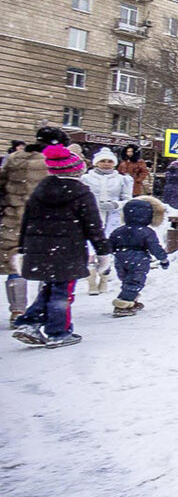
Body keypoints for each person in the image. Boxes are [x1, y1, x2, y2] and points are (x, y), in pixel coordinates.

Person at [11, 144, 111, 348]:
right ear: (78, 170)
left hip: (39, 248)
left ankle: (30, 322)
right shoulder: (82, 193)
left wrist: (22, 250)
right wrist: (102, 252)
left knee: (49, 287)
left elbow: (26, 222)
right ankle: (58, 332)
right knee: (62, 292)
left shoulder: (39, 191)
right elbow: (93, 226)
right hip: (68, 250)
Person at [1, 127, 72, 326]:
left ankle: (17, 309)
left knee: (16, 263)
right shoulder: (57, 161)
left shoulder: (15, 158)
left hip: (15, 218)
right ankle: (43, 307)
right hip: (48, 219)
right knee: (50, 264)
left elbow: (2, 186)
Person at [81, 146, 133, 294]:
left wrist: (115, 204)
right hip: (91, 216)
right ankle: (91, 282)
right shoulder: (86, 178)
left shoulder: (121, 179)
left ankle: (104, 279)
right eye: (102, 161)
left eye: (109, 161)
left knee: (106, 249)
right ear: (96, 162)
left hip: (113, 217)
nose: (106, 164)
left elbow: (127, 199)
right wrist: (91, 205)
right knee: (90, 249)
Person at [110, 197, 169, 317]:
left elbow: (109, 246)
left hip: (120, 258)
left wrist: (105, 260)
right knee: (135, 281)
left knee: (126, 280)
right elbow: (154, 247)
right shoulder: (147, 231)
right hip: (139, 258)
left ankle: (130, 300)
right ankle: (122, 304)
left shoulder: (118, 231)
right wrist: (163, 259)